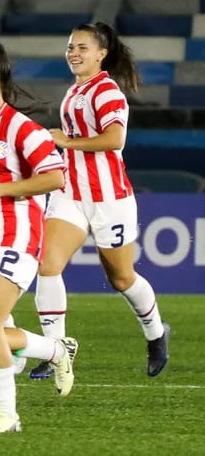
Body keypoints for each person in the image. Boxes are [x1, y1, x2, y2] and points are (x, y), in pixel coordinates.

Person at [28, 22, 170, 380]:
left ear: (101, 54)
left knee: (121, 278)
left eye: (82, 48)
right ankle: (56, 349)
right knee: (47, 265)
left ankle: (156, 333)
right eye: (70, 47)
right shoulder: (75, 91)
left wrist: (66, 141)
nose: (73, 53)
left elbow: (115, 140)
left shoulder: (106, 92)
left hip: (109, 199)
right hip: (70, 194)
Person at [0, 42, 76, 434]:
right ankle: (55, 349)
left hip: (17, 232)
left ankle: (7, 415)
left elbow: (56, 176)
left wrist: (3, 190)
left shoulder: (23, 129)